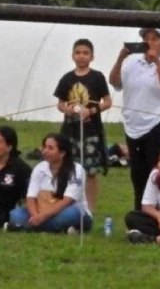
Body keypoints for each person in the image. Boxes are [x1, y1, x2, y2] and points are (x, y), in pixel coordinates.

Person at [109, 28, 160, 211]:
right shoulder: (132, 63)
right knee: (138, 173)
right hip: (133, 126)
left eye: (155, 39)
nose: (149, 42)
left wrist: (157, 60)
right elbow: (115, 82)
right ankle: (141, 213)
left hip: (159, 122)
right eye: (146, 38)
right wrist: (120, 59)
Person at [53, 38, 112, 213]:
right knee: (69, 168)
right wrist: (69, 109)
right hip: (70, 131)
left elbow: (107, 102)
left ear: (92, 57)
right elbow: (60, 104)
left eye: (85, 53)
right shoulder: (67, 78)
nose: (81, 56)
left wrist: (91, 111)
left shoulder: (97, 77)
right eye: (78, 52)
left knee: (90, 171)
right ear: (72, 56)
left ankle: (90, 210)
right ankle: (68, 205)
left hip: (91, 131)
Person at [6, 133, 92, 233]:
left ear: (62, 152)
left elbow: (67, 201)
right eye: (44, 147)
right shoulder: (39, 168)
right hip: (40, 209)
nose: (45, 151)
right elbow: (30, 197)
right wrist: (35, 216)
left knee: (73, 213)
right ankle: (59, 229)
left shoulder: (76, 170)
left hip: (65, 210)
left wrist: (43, 217)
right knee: (16, 214)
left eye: (50, 148)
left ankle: (28, 228)